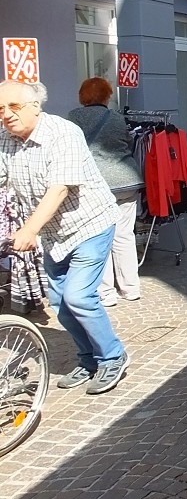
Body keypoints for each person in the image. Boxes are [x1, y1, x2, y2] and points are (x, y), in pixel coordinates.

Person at [0, 79, 128, 394]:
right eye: (0, 109)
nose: (6, 114)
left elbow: (59, 188)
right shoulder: (6, 139)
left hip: (89, 224)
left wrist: (29, 229)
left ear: (34, 106)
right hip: (54, 233)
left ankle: (113, 356)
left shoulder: (62, 132)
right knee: (58, 302)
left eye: (13, 106)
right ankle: (89, 360)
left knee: (78, 296)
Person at [68, 77, 142, 306]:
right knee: (124, 236)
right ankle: (131, 289)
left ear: (83, 96)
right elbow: (127, 144)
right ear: (106, 96)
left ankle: (106, 293)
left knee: (99, 238)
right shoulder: (117, 119)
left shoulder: (73, 118)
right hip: (126, 183)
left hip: (95, 185)